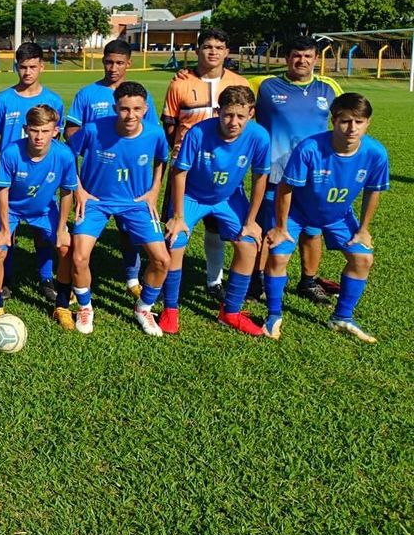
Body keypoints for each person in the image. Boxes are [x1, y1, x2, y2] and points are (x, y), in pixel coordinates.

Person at [262, 93, 388, 343]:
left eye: (359, 121)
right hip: (297, 212)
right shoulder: (310, 148)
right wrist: (281, 226)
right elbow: (285, 189)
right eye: (345, 121)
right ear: (333, 121)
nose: (352, 128)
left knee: (363, 258)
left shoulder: (376, 153)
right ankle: (274, 315)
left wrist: (363, 230)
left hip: (337, 215)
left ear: (368, 123)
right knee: (278, 255)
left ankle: (342, 317)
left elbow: (373, 192)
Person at [163, 86, 270, 336]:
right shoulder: (198, 132)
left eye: (240, 116)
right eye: (228, 115)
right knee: (175, 241)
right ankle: (170, 309)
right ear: (217, 111)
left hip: (228, 197)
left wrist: (252, 220)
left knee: (248, 244)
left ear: (251, 114)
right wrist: (177, 216)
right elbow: (179, 173)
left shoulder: (259, 136)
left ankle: (230, 312)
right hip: (192, 196)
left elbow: (260, 178)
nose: (233, 122)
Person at [68, 81, 170, 336]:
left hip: (135, 203)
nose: (131, 115)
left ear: (146, 108)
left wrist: (154, 190)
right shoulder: (92, 130)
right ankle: (85, 307)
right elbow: (68, 156)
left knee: (162, 259)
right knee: (79, 257)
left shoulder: (155, 133)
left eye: (137, 109)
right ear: (115, 108)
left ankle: (143, 307)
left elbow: (162, 160)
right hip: (95, 202)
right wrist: (79, 190)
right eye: (124, 109)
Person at [65, 39, 161, 299]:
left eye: (120, 63)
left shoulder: (142, 96)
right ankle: (79, 286)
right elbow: (72, 130)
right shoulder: (87, 93)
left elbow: (151, 137)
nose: (113, 68)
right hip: (97, 178)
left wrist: (154, 187)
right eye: (109, 62)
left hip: (132, 184)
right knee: (85, 236)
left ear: (129, 64)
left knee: (130, 233)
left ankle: (131, 277)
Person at [250, 36, 344, 304]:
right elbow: (231, 92)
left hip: (315, 175)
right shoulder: (264, 85)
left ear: (316, 58)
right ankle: (259, 281)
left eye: (307, 56)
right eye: (296, 55)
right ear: (286, 57)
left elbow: (347, 120)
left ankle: (309, 281)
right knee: (270, 229)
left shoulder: (329, 87)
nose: (301, 60)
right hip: (274, 173)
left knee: (312, 229)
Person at [162, 28, 248, 300]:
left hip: (224, 168)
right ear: (198, 50)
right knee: (173, 226)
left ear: (227, 51)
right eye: (207, 46)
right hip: (186, 169)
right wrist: (182, 151)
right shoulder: (180, 82)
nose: (213, 51)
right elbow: (170, 123)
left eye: (218, 47)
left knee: (216, 228)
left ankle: (214, 281)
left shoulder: (240, 83)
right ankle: (164, 279)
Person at [0, 104, 77, 328]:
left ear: (56, 131)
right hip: (12, 208)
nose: (39, 136)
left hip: (45, 208)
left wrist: (62, 228)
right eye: (34, 130)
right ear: (26, 128)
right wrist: (6, 230)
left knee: (66, 247)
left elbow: (67, 192)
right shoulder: (10, 152)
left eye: (45, 131)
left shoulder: (64, 155)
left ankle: (62, 306)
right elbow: (2, 193)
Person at [0, 41, 64, 153]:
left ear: (41, 67)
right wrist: (6, 157)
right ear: (16, 67)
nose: (27, 72)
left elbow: (55, 136)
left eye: (33, 67)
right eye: (23, 67)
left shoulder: (54, 101)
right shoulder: (2, 100)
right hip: (11, 167)